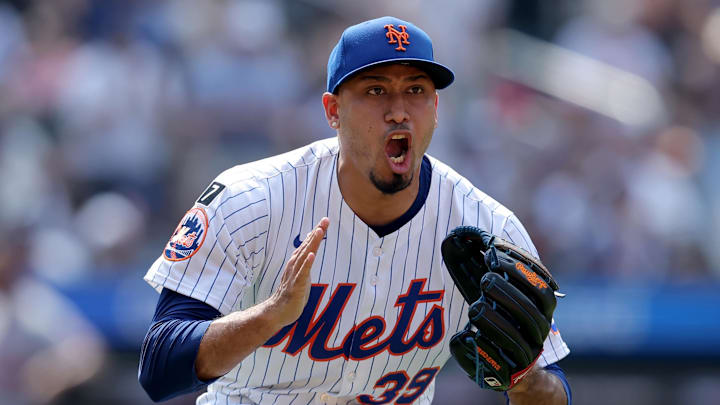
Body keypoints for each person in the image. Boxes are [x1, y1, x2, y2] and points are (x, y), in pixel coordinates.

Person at [139, 16, 571, 405]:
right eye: (376, 90)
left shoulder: (487, 228)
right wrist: (270, 315)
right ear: (333, 111)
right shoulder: (252, 199)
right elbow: (159, 367)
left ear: (436, 110)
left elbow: (553, 393)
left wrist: (523, 376)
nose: (398, 110)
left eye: (416, 90)